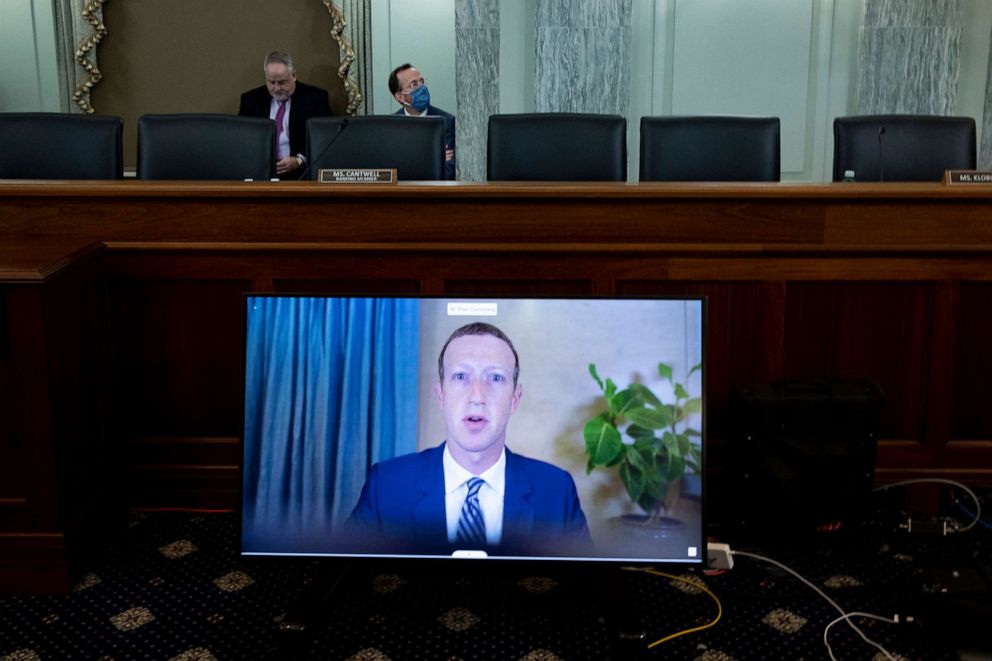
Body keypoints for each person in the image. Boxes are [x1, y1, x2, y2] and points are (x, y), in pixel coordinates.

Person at [347, 322, 590, 555]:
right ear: (440, 394)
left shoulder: (557, 490)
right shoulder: (386, 485)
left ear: (515, 398)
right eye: (461, 376)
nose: (477, 396)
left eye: (495, 378)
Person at [239, 51, 332, 178]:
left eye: (282, 82)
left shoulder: (315, 99)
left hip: (301, 174)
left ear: (293, 75)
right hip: (261, 174)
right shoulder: (251, 100)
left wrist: (299, 160)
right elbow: (242, 140)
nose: (276, 88)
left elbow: (324, 139)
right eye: (271, 82)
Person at [389, 63, 456, 180]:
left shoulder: (447, 122)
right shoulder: (390, 125)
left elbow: (449, 170)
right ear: (400, 97)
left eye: (422, 81)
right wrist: (432, 161)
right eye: (414, 84)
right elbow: (390, 173)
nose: (422, 87)